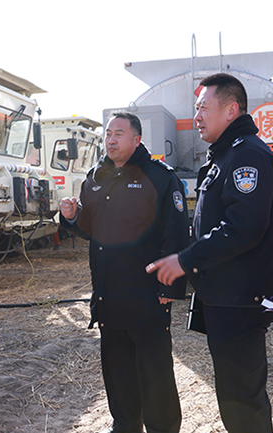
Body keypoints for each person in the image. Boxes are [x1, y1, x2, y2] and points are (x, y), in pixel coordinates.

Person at [147, 73, 273, 433]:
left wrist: (185, 260)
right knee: (234, 397)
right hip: (227, 296)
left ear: (231, 109)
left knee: (243, 402)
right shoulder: (228, 155)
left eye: (202, 108)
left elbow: (244, 228)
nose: (196, 117)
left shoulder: (246, 157)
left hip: (240, 300)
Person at [59, 111, 189, 433]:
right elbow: (93, 230)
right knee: (119, 381)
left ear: (136, 139)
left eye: (119, 133)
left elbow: (175, 234)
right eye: (107, 134)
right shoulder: (95, 176)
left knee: (156, 381)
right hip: (109, 297)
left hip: (147, 298)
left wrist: (169, 290)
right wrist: (73, 218)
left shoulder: (160, 177)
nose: (111, 139)